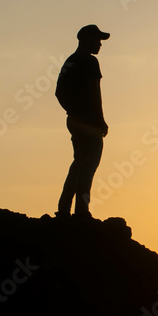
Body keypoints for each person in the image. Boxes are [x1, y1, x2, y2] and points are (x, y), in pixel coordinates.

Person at [56, 24, 110, 218]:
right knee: (88, 166)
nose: (100, 44)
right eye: (97, 40)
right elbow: (95, 92)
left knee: (79, 164)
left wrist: (72, 111)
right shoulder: (89, 62)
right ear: (86, 39)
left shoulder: (70, 62)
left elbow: (58, 92)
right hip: (89, 123)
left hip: (74, 121)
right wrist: (99, 120)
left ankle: (64, 208)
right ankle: (82, 210)